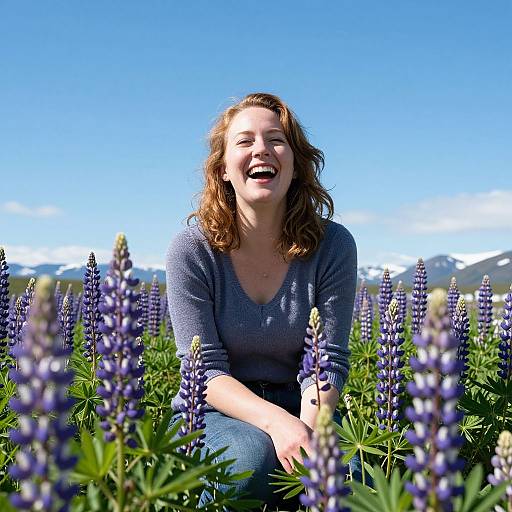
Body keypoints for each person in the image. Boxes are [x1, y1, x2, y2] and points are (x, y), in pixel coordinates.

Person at [165, 92, 358, 508]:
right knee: (248, 460)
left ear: (295, 164)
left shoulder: (333, 246)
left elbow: (328, 362)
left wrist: (305, 436)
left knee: (353, 477)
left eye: (276, 139)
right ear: (222, 169)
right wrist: (277, 424)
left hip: (305, 401)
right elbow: (205, 372)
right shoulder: (192, 250)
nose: (261, 150)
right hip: (213, 411)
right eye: (245, 140)